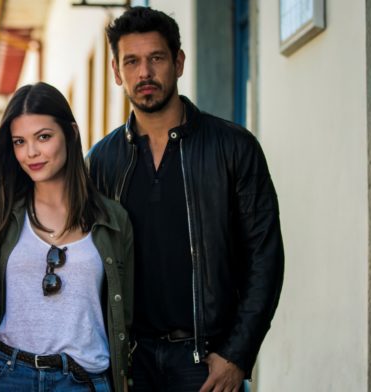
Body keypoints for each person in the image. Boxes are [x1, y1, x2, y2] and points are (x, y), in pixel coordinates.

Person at [87, 6, 285, 392]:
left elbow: (265, 256)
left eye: (156, 58)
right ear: (116, 72)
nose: (144, 72)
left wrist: (237, 355)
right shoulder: (102, 160)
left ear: (178, 62)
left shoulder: (233, 147)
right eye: (132, 61)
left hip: (207, 362)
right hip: (132, 363)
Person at [0, 82, 134, 392]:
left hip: (84, 379)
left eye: (43, 137)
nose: (31, 153)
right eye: (19, 141)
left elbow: (128, 314)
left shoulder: (112, 220)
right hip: (6, 375)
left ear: (70, 132)